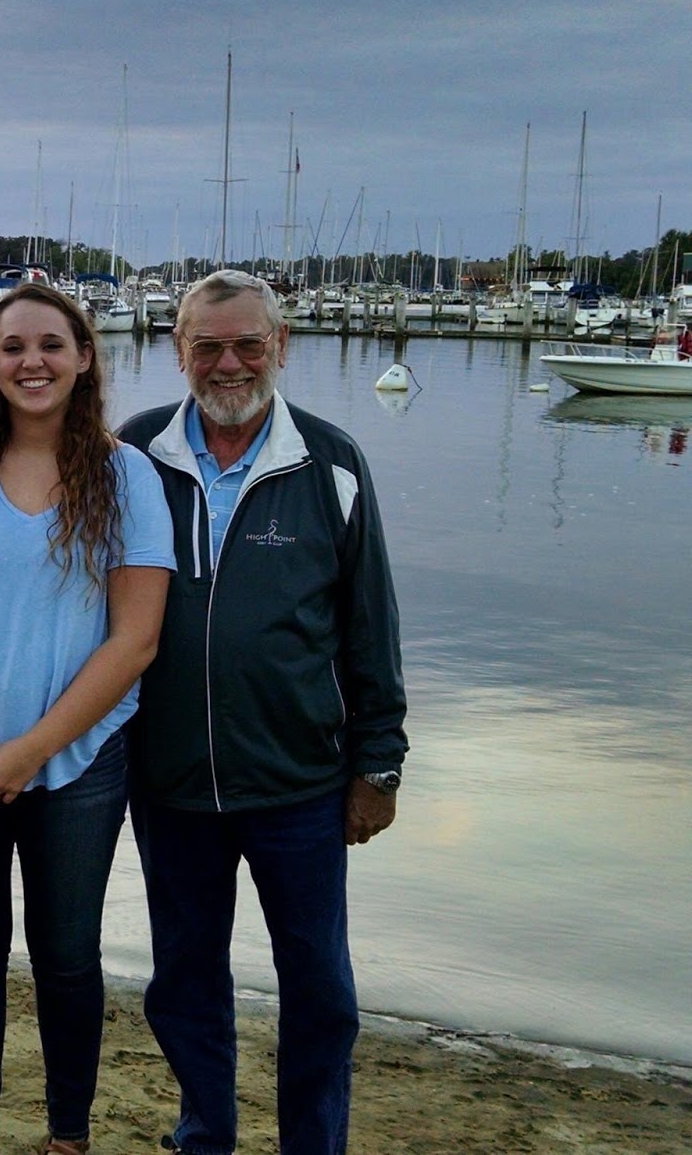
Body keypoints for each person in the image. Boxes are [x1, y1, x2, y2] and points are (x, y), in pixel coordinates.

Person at [116, 270, 408, 1155]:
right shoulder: (134, 454)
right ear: (178, 350)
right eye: (208, 345)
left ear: (283, 345)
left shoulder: (332, 463)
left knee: (320, 988)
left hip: (301, 787)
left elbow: (371, 625)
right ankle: (206, 1132)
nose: (229, 362)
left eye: (249, 343)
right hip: (170, 786)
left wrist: (379, 763)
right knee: (184, 981)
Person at [0, 284, 174, 1155]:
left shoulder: (126, 475)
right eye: (13, 347)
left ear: (85, 357)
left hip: (77, 767)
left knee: (66, 958)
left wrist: (33, 749)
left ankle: (68, 1135)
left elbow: (135, 640)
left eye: (52, 344)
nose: (33, 361)